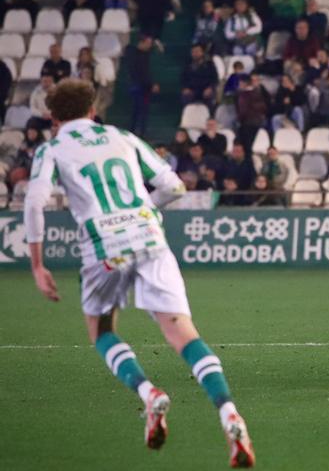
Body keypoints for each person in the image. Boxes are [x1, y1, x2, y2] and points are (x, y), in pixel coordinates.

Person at [23, 79, 255, 467]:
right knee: (183, 333)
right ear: (93, 111)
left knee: (102, 330)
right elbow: (174, 186)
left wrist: (36, 263)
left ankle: (148, 393)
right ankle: (230, 413)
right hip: (150, 236)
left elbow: (33, 202)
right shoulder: (122, 136)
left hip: (103, 246)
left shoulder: (52, 148)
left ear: (53, 118)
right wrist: (143, 210)